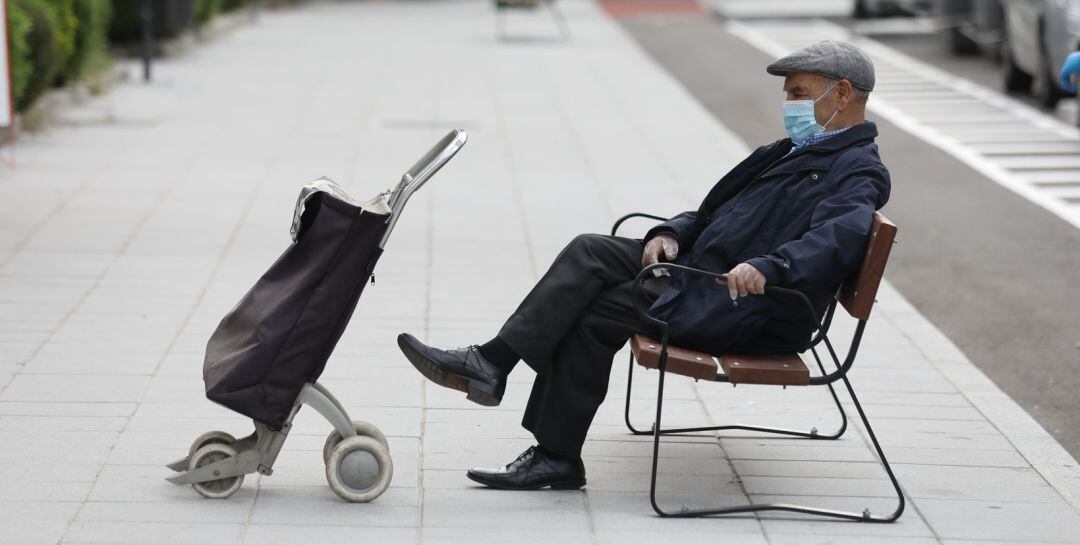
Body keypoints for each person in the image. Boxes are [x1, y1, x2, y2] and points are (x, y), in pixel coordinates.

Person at [397, 40, 891, 491]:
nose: (790, 105)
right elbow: (710, 211)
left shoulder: (856, 168)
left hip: (746, 304)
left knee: (595, 312)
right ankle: (493, 365)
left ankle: (547, 443)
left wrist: (774, 265)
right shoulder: (786, 152)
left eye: (799, 93)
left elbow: (839, 237)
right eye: (789, 94)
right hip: (700, 274)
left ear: (843, 94)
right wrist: (669, 234)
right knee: (591, 249)